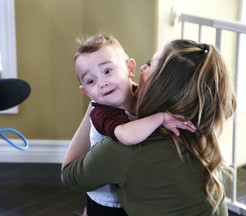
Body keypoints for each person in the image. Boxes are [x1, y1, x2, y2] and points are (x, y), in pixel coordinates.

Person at [62, 39, 236, 216]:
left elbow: (69, 176)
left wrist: (95, 104)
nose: (142, 69)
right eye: (91, 81)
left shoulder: (128, 147)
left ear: (162, 85)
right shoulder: (200, 130)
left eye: (149, 64)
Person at [73, 33, 196, 216]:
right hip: (108, 200)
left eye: (107, 71)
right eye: (91, 81)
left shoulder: (139, 93)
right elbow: (127, 136)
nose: (103, 83)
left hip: (131, 192)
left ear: (130, 68)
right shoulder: (103, 112)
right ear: (86, 92)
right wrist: (161, 118)